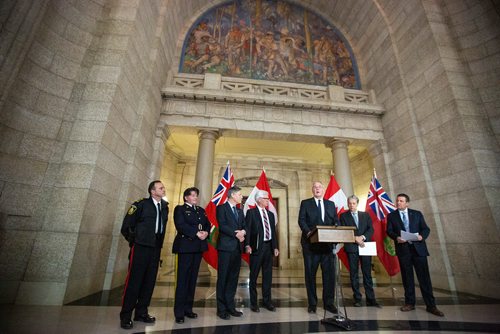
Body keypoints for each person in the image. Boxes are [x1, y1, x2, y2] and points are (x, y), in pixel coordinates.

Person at [119, 180, 168, 329]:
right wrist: (136, 241)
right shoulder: (140, 204)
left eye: (163, 187)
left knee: (149, 282)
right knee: (134, 282)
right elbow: (126, 226)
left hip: (155, 248)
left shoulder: (164, 207)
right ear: (152, 191)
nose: (163, 189)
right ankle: (126, 315)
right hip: (140, 248)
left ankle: (141, 312)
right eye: (160, 188)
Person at [386, 193, 444, 317]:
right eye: (397, 201)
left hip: (419, 250)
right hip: (403, 250)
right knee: (407, 278)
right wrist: (397, 237)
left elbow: (425, 229)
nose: (398, 203)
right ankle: (410, 303)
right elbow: (389, 231)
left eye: (401, 201)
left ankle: (431, 305)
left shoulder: (417, 214)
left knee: (424, 278)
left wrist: (421, 236)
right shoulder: (391, 216)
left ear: (407, 203)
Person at [298, 181, 338, 314]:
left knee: (329, 276)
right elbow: (301, 220)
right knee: (310, 275)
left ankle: (329, 303)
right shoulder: (306, 203)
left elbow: (335, 221)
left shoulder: (330, 204)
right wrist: (308, 232)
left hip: (327, 246)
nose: (317, 189)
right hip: (310, 246)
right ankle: (312, 304)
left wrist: (337, 227)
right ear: (312, 190)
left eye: (319, 187)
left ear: (323, 189)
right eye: (315, 187)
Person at [172, 187, 210, 324]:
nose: (195, 197)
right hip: (185, 247)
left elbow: (207, 225)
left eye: (196, 195)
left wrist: (205, 232)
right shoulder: (180, 209)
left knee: (193, 280)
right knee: (183, 280)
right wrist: (196, 233)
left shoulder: (201, 211)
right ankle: (179, 312)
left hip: (198, 248)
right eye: (192, 195)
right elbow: (180, 225)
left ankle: (188, 309)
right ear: (186, 197)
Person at [340, 195, 381, 308]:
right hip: (351, 247)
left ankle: (371, 299)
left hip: (365, 246)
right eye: (349, 203)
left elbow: (370, 229)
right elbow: (343, 231)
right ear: (347, 204)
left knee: (367, 273)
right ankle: (357, 298)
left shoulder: (365, 215)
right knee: (354, 274)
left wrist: (362, 237)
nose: (351, 206)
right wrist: (355, 239)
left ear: (357, 204)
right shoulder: (343, 216)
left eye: (353, 203)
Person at [245, 190, 279, 312]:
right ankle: (254, 303)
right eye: (265, 198)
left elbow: (273, 233)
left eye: (268, 198)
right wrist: (247, 244)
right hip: (256, 248)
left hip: (268, 248)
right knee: (253, 276)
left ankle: (267, 301)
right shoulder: (251, 213)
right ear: (259, 199)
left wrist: (275, 247)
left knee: (268, 276)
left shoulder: (270, 214)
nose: (268, 200)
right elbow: (247, 230)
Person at [215, 186, 246, 320]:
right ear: (232, 195)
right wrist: (237, 234)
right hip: (225, 248)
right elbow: (223, 225)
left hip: (237, 249)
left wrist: (243, 232)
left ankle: (230, 306)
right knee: (223, 278)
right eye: (240, 194)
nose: (241, 197)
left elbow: (244, 225)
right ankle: (221, 309)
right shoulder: (221, 208)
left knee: (233, 279)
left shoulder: (240, 211)